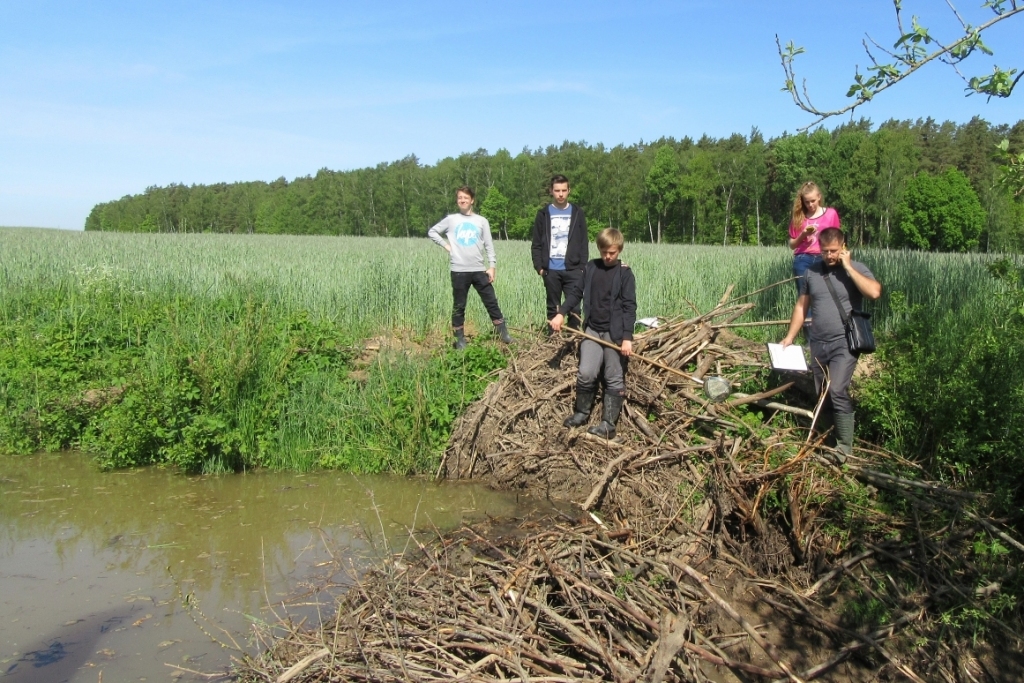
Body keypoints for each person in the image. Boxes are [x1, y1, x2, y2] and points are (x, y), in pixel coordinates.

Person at [780, 228, 881, 461]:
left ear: (844, 246)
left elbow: (874, 293)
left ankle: (845, 448)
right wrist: (790, 337)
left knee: (836, 390)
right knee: (822, 393)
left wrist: (848, 267)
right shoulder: (811, 273)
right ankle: (829, 441)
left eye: (834, 251)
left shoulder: (858, 269)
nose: (829, 256)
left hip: (844, 342)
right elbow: (801, 307)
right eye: (825, 251)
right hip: (818, 342)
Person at [550, 228, 636, 439]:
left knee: (613, 376)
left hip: (614, 333)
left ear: (619, 250)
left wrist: (627, 337)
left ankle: (608, 425)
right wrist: (561, 313)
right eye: (604, 252)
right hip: (592, 330)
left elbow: (629, 306)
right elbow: (576, 293)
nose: (608, 256)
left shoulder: (625, 274)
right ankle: (581, 413)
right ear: (599, 248)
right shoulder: (590, 268)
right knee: (586, 373)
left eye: (612, 253)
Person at [428, 186, 513, 349]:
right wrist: (446, 246)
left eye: (466, 198)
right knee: (459, 305)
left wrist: (492, 266)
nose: (462, 200)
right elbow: (433, 232)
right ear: (457, 200)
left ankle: (504, 335)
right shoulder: (451, 219)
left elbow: (488, 245)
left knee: (491, 302)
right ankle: (460, 340)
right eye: (460, 197)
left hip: (479, 270)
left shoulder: (481, 221)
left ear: (472, 200)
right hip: (459, 271)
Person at [531, 175, 589, 333]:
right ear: (551, 191)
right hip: (551, 270)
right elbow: (536, 243)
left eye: (564, 190)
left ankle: (573, 343)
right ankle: (553, 343)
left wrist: (582, 267)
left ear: (569, 190)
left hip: (574, 270)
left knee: (575, 309)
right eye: (557, 191)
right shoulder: (543, 214)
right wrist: (540, 268)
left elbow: (584, 241)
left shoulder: (577, 213)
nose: (561, 194)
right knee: (553, 308)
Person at [788, 182, 840, 317]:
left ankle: (827, 330)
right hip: (803, 259)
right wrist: (803, 235)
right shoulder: (798, 217)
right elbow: (792, 244)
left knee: (827, 294)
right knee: (805, 298)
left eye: (813, 201)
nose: (810, 205)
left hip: (825, 258)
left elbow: (837, 238)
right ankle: (810, 336)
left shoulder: (831, 214)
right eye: (807, 202)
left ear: (819, 197)